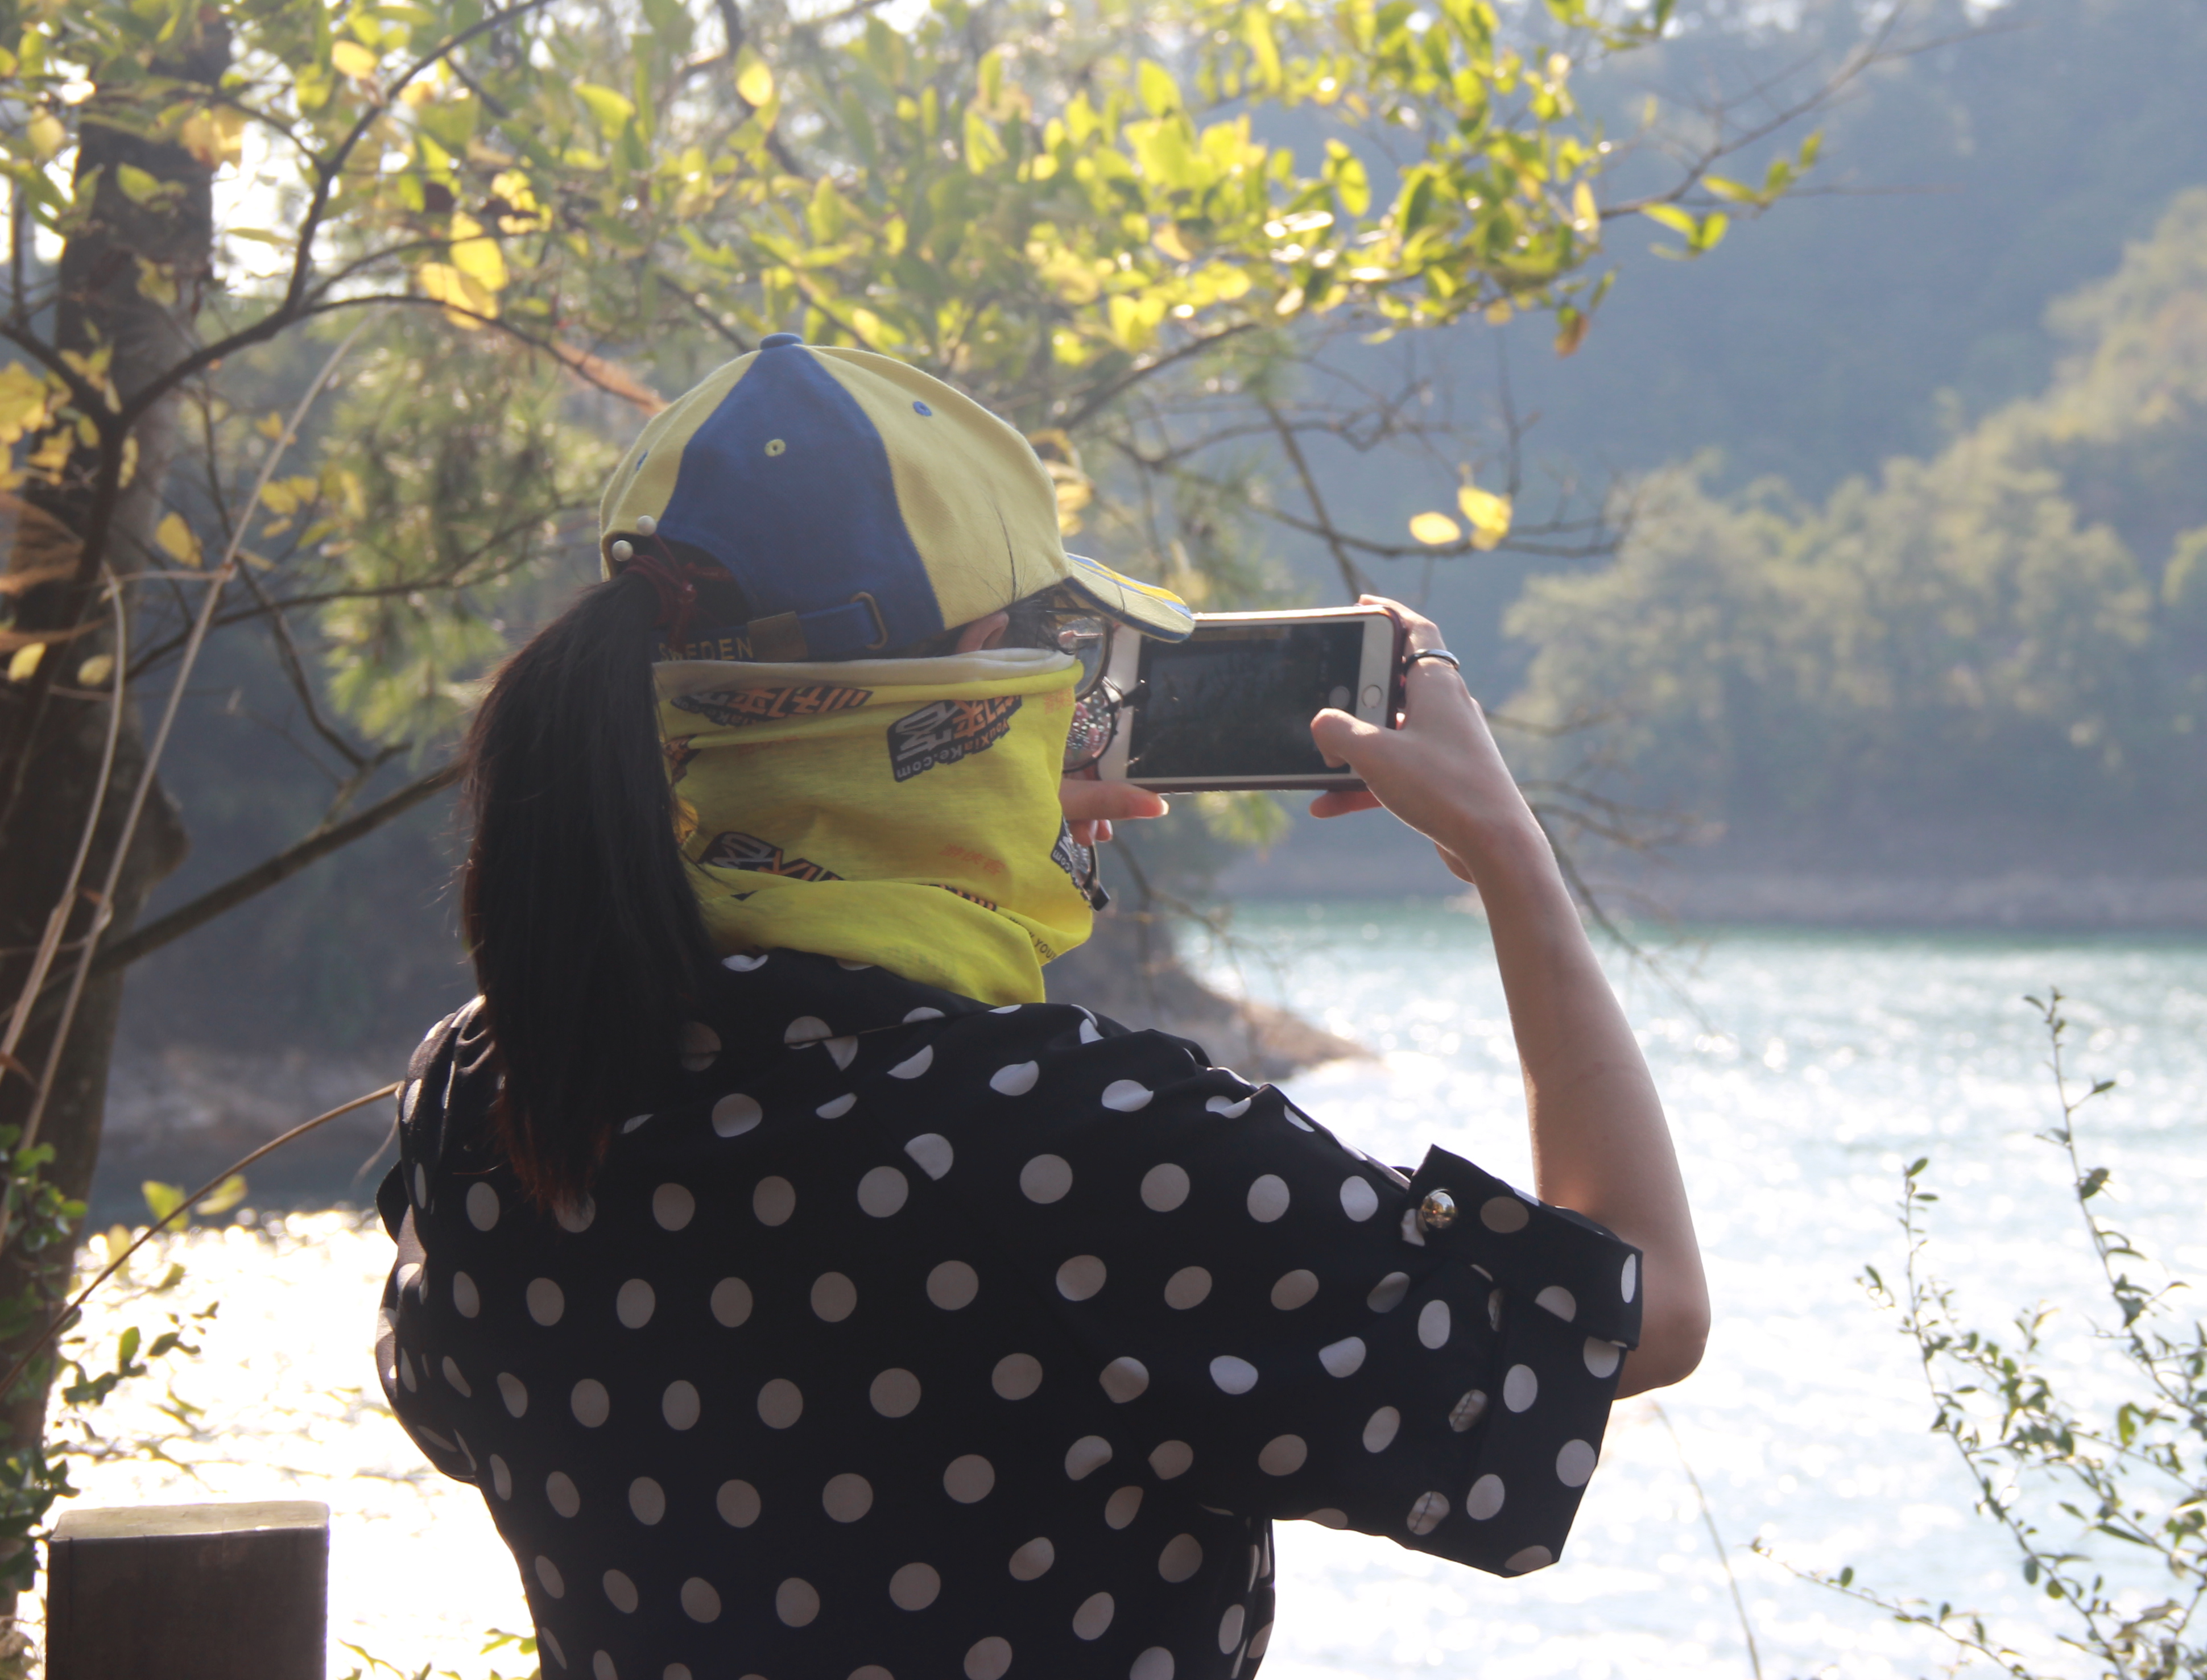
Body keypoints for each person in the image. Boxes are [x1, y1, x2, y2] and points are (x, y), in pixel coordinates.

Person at [374, 335, 1708, 1680]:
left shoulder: (489, 1093)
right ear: (984, 676)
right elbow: (1637, 1315)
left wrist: (951, 823)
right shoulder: (1091, 1149)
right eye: (1059, 649)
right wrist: (1507, 854)